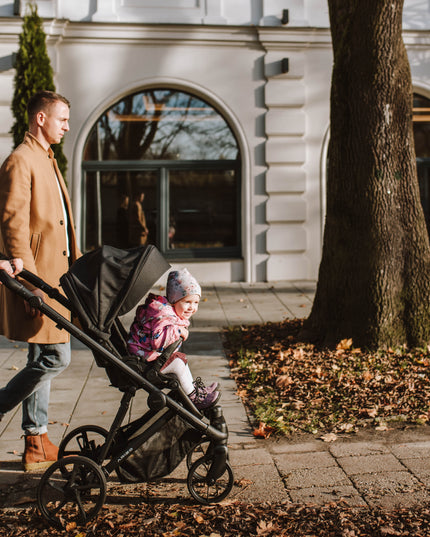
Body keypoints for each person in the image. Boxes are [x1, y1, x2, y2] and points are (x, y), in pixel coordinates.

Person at [0, 90, 80, 471]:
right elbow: (13, 219)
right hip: (38, 277)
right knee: (55, 355)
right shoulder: (21, 159)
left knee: (41, 351)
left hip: (54, 275)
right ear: (41, 119)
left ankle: (36, 439)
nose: (66, 126)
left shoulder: (45, 157)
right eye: (62, 119)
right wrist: (29, 280)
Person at [127, 268, 220, 410]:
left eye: (196, 303)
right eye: (187, 302)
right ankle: (195, 398)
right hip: (145, 361)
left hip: (147, 355)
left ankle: (194, 390)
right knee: (177, 363)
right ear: (174, 300)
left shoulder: (167, 311)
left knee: (180, 358)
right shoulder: (162, 315)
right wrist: (178, 331)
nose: (192, 307)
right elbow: (157, 341)